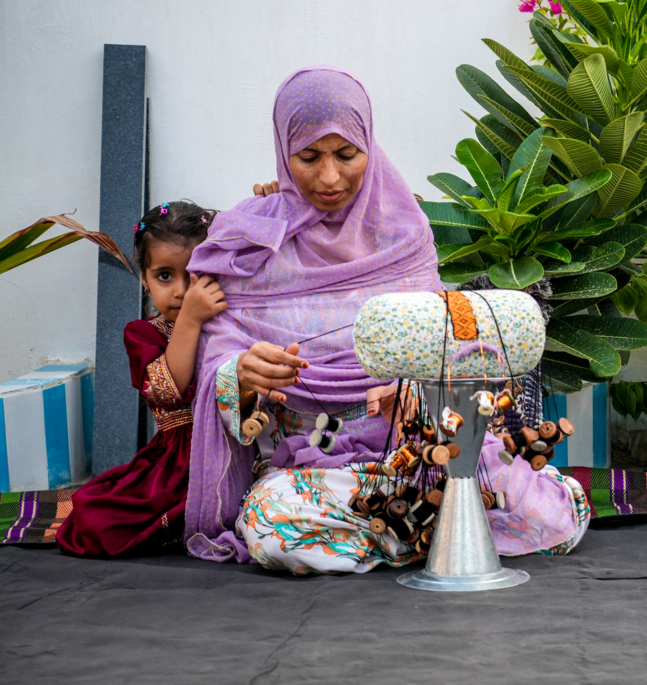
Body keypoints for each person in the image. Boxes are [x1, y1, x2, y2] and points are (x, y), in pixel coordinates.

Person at [184, 66, 587, 574]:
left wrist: (414, 392)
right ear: (283, 153)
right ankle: (431, 531)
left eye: (347, 155)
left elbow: (448, 343)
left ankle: (408, 524)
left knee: (547, 516)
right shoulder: (249, 239)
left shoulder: (403, 231)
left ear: (370, 147)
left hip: (418, 449)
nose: (329, 178)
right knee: (271, 525)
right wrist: (238, 374)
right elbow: (218, 351)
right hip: (311, 460)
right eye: (308, 158)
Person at [58, 201, 224, 556]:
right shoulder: (144, 333)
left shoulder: (229, 325)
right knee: (96, 522)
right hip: (179, 464)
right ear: (145, 280)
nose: (181, 291)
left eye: (195, 274)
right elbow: (167, 390)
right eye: (165, 275)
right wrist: (191, 321)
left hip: (234, 452)